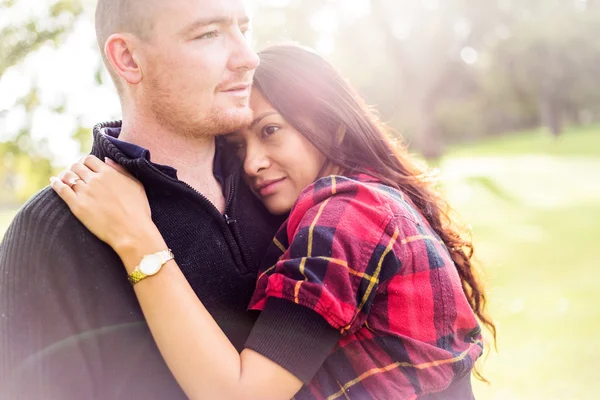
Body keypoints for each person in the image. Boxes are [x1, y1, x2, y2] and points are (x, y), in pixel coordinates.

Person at [50, 44, 496, 400]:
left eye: (270, 131)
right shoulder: (378, 199)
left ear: (332, 125)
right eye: (239, 147)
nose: (253, 164)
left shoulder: (347, 215)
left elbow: (240, 395)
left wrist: (136, 238)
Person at [0, 0, 284, 398]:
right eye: (209, 34)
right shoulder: (52, 230)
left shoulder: (286, 188)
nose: (247, 57)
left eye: (243, 28)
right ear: (129, 58)